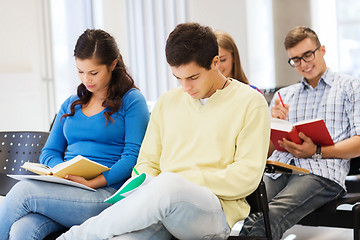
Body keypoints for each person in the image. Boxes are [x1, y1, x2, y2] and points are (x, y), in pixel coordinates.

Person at [57, 22, 270, 240]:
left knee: (170, 184)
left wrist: (181, 181)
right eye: (178, 78)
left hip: (213, 213)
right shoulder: (168, 102)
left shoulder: (250, 102)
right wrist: (148, 183)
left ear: (215, 62)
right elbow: (146, 163)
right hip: (161, 206)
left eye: (193, 77)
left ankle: (72, 237)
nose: (185, 87)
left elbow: (246, 176)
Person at [0, 29, 150, 240]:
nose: (86, 79)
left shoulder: (132, 100)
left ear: (113, 65)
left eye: (93, 73)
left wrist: (92, 182)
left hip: (106, 194)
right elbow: (49, 152)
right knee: (22, 230)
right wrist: (61, 171)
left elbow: (132, 158)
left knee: (22, 191)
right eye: (80, 71)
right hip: (66, 190)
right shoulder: (71, 103)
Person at [240, 26, 360, 240]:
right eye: (296, 60)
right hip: (280, 170)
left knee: (273, 212)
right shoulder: (284, 96)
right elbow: (266, 151)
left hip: (322, 173)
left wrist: (316, 151)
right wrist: (272, 123)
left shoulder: (350, 87)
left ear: (322, 50)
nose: (304, 64)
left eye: (308, 55)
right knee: (253, 212)